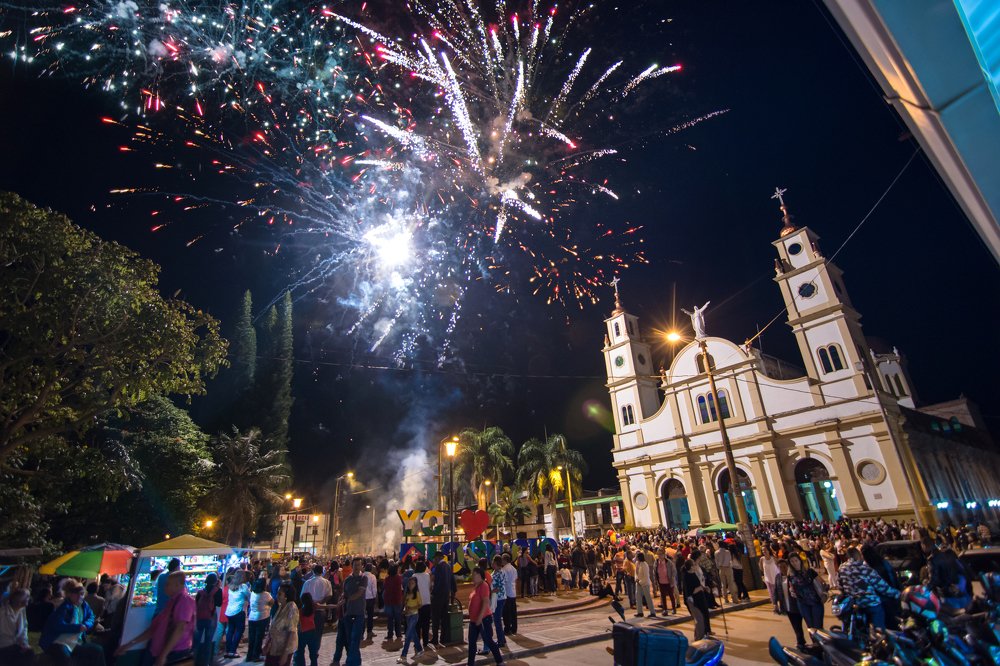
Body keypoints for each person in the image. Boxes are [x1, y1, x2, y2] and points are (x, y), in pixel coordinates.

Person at [116, 571, 196, 666]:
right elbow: (154, 629)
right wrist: (129, 644)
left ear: (178, 585)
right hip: (166, 652)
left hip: (176, 653)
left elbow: (180, 628)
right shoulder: (172, 602)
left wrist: (163, 655)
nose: (165, 587)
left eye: (168, 584)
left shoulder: (184, 601)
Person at [40, 580, 102, 666]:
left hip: (77, 642)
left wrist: (86, 625)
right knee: (66, 659)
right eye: (77, 594)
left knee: (97, 650)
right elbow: (58, 625)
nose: (80, 597)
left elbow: (91, 617)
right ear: (70, 594)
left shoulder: (84, 605)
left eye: (82, 594)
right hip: (60, 641)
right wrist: (77, 627)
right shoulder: (64, 607)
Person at [838, 547, 899, 630]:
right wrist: (898, 594)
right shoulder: (864, 569)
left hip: (853, 605)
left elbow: (840, 587)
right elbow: (882, 587)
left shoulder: (841, 568)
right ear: (858, 556)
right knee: (879, 632)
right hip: (870, 604)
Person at [331, 557, 366, 666]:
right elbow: (344, 594)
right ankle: (356, 662)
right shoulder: (347, 580)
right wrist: (341, 600)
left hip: (359, 613)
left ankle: (351, 662)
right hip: (348, 613)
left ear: (362, 566)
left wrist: (347, 598)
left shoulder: (364, 578)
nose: (356, 567)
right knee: (350, 640)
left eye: (358, 565)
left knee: (355, 639)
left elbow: (360, 593)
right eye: (355, 565)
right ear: (352, 566)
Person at [922, 538, 971, 611]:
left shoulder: (932, 559)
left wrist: (925, 589)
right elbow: (963, 570)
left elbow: (934, 579)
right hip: (959, 592)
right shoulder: (947, 555)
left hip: (946, 594)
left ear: (925, 546)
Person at [467, 569, 504, 666]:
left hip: (483, 619)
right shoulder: (476, 587)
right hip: (474, 621)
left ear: (480, 575)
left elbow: (485, 602)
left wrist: (480, 617)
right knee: (471, 643)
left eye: (474, 574)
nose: (472, 576)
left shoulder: (484, 585)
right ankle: (470, 664)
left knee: (489, 641)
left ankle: (499, 661)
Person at [264, 584, 299, 666]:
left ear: (286, 595)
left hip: (283, 649)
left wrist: (285, 654)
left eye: (280, 594)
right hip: (274, 647)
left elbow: (292, 631)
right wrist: (267, 643)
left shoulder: (291, 607)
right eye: (277, 593)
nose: (277, 595)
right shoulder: (281, 606)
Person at [193, 573, 222, 666]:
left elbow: (196, 604)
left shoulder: (200, 591)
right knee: (208, 642)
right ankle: (206, 663)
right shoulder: (218, 591)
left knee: (196, 642)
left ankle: (193, 662)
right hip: (211, 618)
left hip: (200, 618)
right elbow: (219, 603)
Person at [301, 565, 331, 651]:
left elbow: (302, 596)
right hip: (321, 610)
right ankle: (315, 651)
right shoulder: (327, 582)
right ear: (322, 572)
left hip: (308, 610)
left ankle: (306, 648)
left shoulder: (308, 582)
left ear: (313, 571)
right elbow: (329, 595)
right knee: (318, 633)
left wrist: (311, 603)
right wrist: (320, 602)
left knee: (306, 631)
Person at [0, 587, 33, 666]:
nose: (28, 599)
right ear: (19, 601)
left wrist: (24, 643)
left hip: (16, 644)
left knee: (29, 653)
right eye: (27, 597)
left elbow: (24, 627)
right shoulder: (2, 613)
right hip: (3, 645)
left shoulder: (22, 611)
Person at [680, 559, 711, 641]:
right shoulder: (686, 576)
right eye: (693, 564)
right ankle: (699, 638)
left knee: (703, 616)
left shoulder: (693, 573)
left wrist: (704, 588)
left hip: (700, 598)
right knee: (699, 619)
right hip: (693, 601)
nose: (695, 566)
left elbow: (698, 584)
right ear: (690, 566)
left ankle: (701, 634)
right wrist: (700, 588)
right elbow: (691, 591)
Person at [429, 553, 455, 647]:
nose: (433, 561)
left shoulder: (439, 567)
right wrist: (452, 594)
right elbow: (452, 581)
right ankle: (443, 638)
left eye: (434, 559)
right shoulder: (448, 566)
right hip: (446, 597)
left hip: (438, 597)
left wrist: (433, 593)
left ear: (438, 558)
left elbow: (438, 583)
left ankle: (435, 639)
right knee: (444, 618)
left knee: (435, 619)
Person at [224, 570, 251, 659]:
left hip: (229, 611)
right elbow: (249, 596)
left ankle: (228, 650)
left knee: (230, 630)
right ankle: (232, 650)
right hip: (238, 611)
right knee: (239, 630)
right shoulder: (243, 587)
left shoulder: (230, 586)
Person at [247, 577, 274, 662]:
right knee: (259, 637)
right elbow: (272, 603)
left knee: (252, 638)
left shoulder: (252, 593)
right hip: (262, 617)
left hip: (252, 617)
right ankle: (256, 655)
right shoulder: (265, 594)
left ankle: (249, 655)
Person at [398, 577, 423, 663]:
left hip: (414, 615)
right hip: (408, 615)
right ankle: (419, 649)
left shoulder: (417, 593)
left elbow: (420, 605)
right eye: (409, 583)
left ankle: (403, 655)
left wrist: (411, 607)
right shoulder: (407, 594)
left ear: (415, 584)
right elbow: (405, 603)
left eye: (412, 583)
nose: (410, 585)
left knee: (408, 635)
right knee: (413, 634)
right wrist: (405, 608)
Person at [293, 593, 319, 666]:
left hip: (302, 633)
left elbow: (297, 623)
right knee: (313, 653)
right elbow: (325, 607)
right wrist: (336, 605)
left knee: (300, 652)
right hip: (312, 631)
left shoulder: (300, 611)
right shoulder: (313, 607)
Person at [412, 561, 431, 649]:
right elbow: (429, 587)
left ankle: (417, 642)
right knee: (426, 624)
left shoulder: (414, 576)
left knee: (417, 624)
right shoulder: (427, 576)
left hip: (417, 603)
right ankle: (426, 642)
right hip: (427, 602)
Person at [489, 556, 508, 649]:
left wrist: (490, 591)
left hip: (499, 598)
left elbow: (499, 587)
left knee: (497, 620)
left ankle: (501, 641)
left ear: (496, 562)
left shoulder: (500, 573)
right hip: (497, 598)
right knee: (497, 619)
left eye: (493, 561)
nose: (491, 563)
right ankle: (502, 639)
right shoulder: (496, 572)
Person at [633, 552, 657, 618]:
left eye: (637, 556)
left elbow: (646, 575)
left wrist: (640, 582)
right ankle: (640, 612)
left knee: (648, 597)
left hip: (645, 583)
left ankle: (652, 612)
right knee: (638, 598)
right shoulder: (637, 563)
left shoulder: (645, 564)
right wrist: (636, 579)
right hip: (638, 582)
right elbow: (636, 573)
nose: (636, 558)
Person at [383, 564, 403, 642]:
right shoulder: (399, 578)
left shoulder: (387, 579)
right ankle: (398, 634)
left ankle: (390, 634)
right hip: (397, 600)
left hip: (388, 600)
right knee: (398, 618)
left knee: (390, 619)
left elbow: (384, 587)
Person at [500, 554, 518, 636]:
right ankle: (514, 628)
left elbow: (504, 581)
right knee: (513, 612)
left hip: (507, 592)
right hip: (513, 592)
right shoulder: (514, 569)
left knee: (506, 613)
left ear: (504, 560)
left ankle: (507, 629)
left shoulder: (504, 569)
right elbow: (515, 579)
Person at [655, 549, 677, 615]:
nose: (659, 556)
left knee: (671, 596)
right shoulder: (656, 562)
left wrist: (672, 578)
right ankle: (665, 609)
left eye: (661, 555)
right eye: (658, 555)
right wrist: (656, 580)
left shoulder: (668, 562)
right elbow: (654, 571)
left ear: (664, 555)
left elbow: (674, 571)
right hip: (661, 582)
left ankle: (674, 608)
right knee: (663, 596)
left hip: (668, 581)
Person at [760, 546, 781, 614]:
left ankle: (781, 605)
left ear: (769, 550)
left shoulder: (773, 558)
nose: (764, 552)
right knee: (771, 593)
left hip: (776, 577)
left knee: (778, 592)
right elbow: (761, 568)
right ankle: (775, 606)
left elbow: (779, 566)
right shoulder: (762, 559)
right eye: (763, 550)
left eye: (765, 550)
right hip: (768, 578)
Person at [362, 564, 378, 641]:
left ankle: (361, 633)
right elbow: (374, 588)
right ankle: (369, 631)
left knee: (361, 616)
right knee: (370, 616)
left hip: (362, 598)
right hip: (370, 598)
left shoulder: (361, 575)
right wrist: (375, 597)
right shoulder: (372, 577)